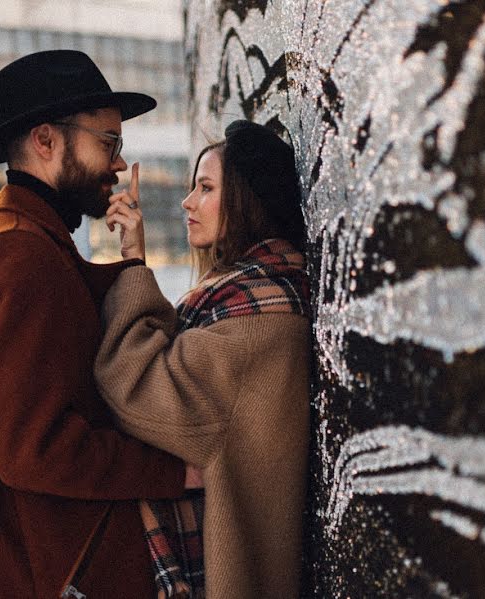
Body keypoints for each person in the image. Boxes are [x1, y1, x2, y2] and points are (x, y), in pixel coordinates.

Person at [0, 50, 202, 598]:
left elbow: (77, 301)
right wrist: (175, 471)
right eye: (107, 142)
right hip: (40, 576)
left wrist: (132, 260)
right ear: (46, 140)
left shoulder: (34, 243)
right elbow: (32, 449)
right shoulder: (19, 257)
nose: (117, 163)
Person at [94, 120, 311, 598]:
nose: (187, 202)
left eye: (206, 188)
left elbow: (135, 384)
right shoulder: (249, 297)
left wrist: (132, 262)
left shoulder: (259, 321)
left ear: (246, 202)